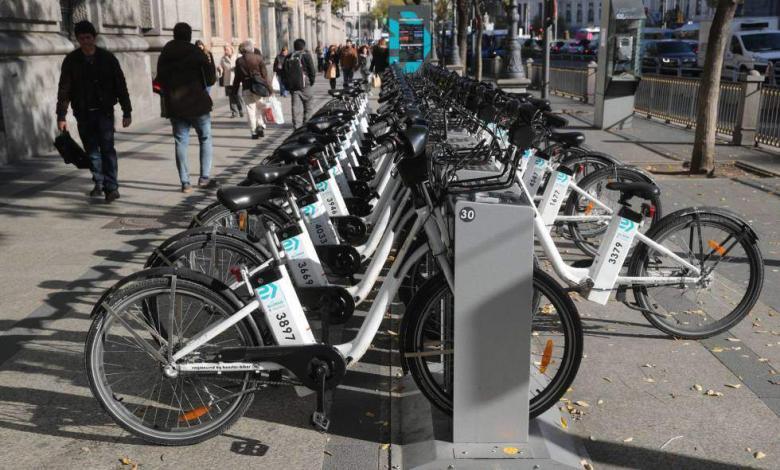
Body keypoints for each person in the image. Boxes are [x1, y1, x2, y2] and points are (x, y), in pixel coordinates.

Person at [56, 20, 131, 203]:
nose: (86, 42)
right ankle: (99, 181)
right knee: (92, 152)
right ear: (77, 39)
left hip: (104, 113)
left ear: (94, 37)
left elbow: (120, 85)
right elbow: (64, 89)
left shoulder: (107, 58)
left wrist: (127, 110)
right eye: (81, 38)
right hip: (83, 113)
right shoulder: (71, 61)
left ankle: (111, 187)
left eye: (88, 38)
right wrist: (61, 115)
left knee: (107, 150)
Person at [156, 22, 217, 193]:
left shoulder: (165, 53)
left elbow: (160, 79)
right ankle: (204, 178)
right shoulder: (196, 52)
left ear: (174, 35)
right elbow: (211, 79)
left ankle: (185, 182)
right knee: (205, 138)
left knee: (180, 142)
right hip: (198, 105)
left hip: (175, 106)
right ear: (189, 36)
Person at [232, 40, 270, 139]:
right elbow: (265, 75)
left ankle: (253, 132)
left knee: (250, 110)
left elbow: (237, 77)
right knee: (260, 107)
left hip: (246, 87)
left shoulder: (239, 61)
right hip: (259, 87)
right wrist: (269, 89)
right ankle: (261, 126)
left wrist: (234, 91)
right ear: (250, 48)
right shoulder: (258, 58)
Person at [281, 38, 317, 129]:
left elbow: (283, 72)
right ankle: (306, 125)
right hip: (306, 84)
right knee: (308, 104)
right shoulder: (306, 55)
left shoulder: (289, 56)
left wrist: (287, 85)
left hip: (294, 85)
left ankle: (297, 127)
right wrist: (312, 81)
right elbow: (312, 70)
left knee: (296, 107)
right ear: (303, 47)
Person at [217, 45, 243, 118]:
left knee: (238, 96)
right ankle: (234, 112)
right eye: (225, 50)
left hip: (237, 80)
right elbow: (221, 67)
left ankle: (241, 110)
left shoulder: (238, 57)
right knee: (231, 97)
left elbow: (242, 65)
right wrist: (219, 69)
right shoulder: (223, 59)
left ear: (231, 50)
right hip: (227, 80)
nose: (225, 51)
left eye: (227, 50)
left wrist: (236, 68)